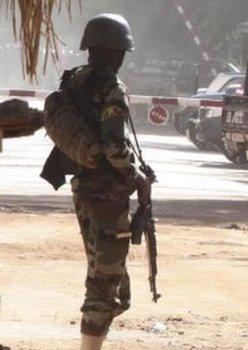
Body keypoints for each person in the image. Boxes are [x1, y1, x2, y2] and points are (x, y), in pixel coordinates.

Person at [45, 14, 153, 350]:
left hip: (83, 190)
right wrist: (136, 177)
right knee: (105, 282)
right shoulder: (111, 87)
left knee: (102, 272)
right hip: (107, 194)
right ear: (114, 52)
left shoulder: (74, 80)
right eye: (121, 52)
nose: (122, 59)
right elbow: (113, 147)